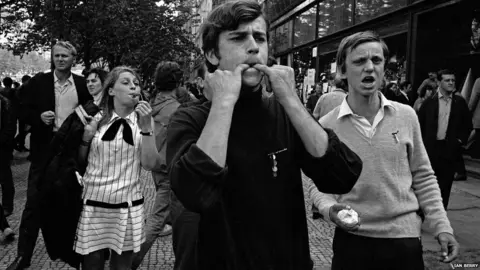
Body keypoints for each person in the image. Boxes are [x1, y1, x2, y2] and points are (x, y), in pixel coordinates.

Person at [166, 1, 362, 269]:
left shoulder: (283, 112)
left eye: (260, 38)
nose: (254, 47)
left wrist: (291, 100)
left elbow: (342, 175)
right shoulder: (190, 118)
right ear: (212, 54)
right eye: (238, 38)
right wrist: (223, 103)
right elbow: (195, 194)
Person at [312, 31, 459, 270]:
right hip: (352, 241)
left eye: (377, 60)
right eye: (359, 61)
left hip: (404, 239)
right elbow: (317, 185)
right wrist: (330, 210)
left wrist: (441, 225)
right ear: (342, 71)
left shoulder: (406, 115)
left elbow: (423, 175)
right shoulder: (327, 126)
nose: (369, 68)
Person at [7, 41, 91, 270]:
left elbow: (94, 110)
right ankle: (23, 256)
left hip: (72, 154)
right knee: (33, 204)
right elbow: (17, 106)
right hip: (44, 152)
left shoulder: (82, 85)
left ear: (73, 58)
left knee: (72, 204)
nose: (60, 59)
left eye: (65, 56)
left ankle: (73, 254)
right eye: (57, 56)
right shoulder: (39, 82)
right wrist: (37, 118)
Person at [74, 66, 160, 270]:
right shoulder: (95, 118)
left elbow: (150, 164)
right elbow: (79, 161)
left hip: (128, 205)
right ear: (111, 90)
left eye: (136, 83)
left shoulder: (144, 122)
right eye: (126, 82)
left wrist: (147, 128)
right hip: (94, 203)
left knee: (122, 266)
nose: (133, 87)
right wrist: (86, 139)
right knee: (91, 263)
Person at [131, 61, 183, 269]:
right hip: (170, 170)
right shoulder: (177, 110)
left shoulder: (154, 105)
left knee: (175, 214)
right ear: (178, 83)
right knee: (157, 219)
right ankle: (129, 263)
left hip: (157, 167)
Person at [418, 69, 473, 209]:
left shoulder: (459, 102)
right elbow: (418, 126)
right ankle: (423, 212)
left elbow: (467, 125)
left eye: (453, 80)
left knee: (445, 185)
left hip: (449, 150)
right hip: (430, 149)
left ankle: (441, 214)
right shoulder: (429, 103)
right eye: (447, 80)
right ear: (439, 82)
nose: (451, 83)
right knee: (427, 184)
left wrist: (460, 141)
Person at [0, 89, 17, 218]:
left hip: (2, 147)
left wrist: (3, 142)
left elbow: (10, 128)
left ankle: (7, 206)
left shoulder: (5, 104)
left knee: (5, 176)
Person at [14, 75, 32, 152]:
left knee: (24, 130)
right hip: (23, 114)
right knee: (24, 130)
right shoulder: (22, 89)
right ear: (25, 81)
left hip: (23, 113)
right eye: (29, 81)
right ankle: (16, 143)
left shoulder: (21, 89)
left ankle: (20, 145)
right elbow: (21, 102)